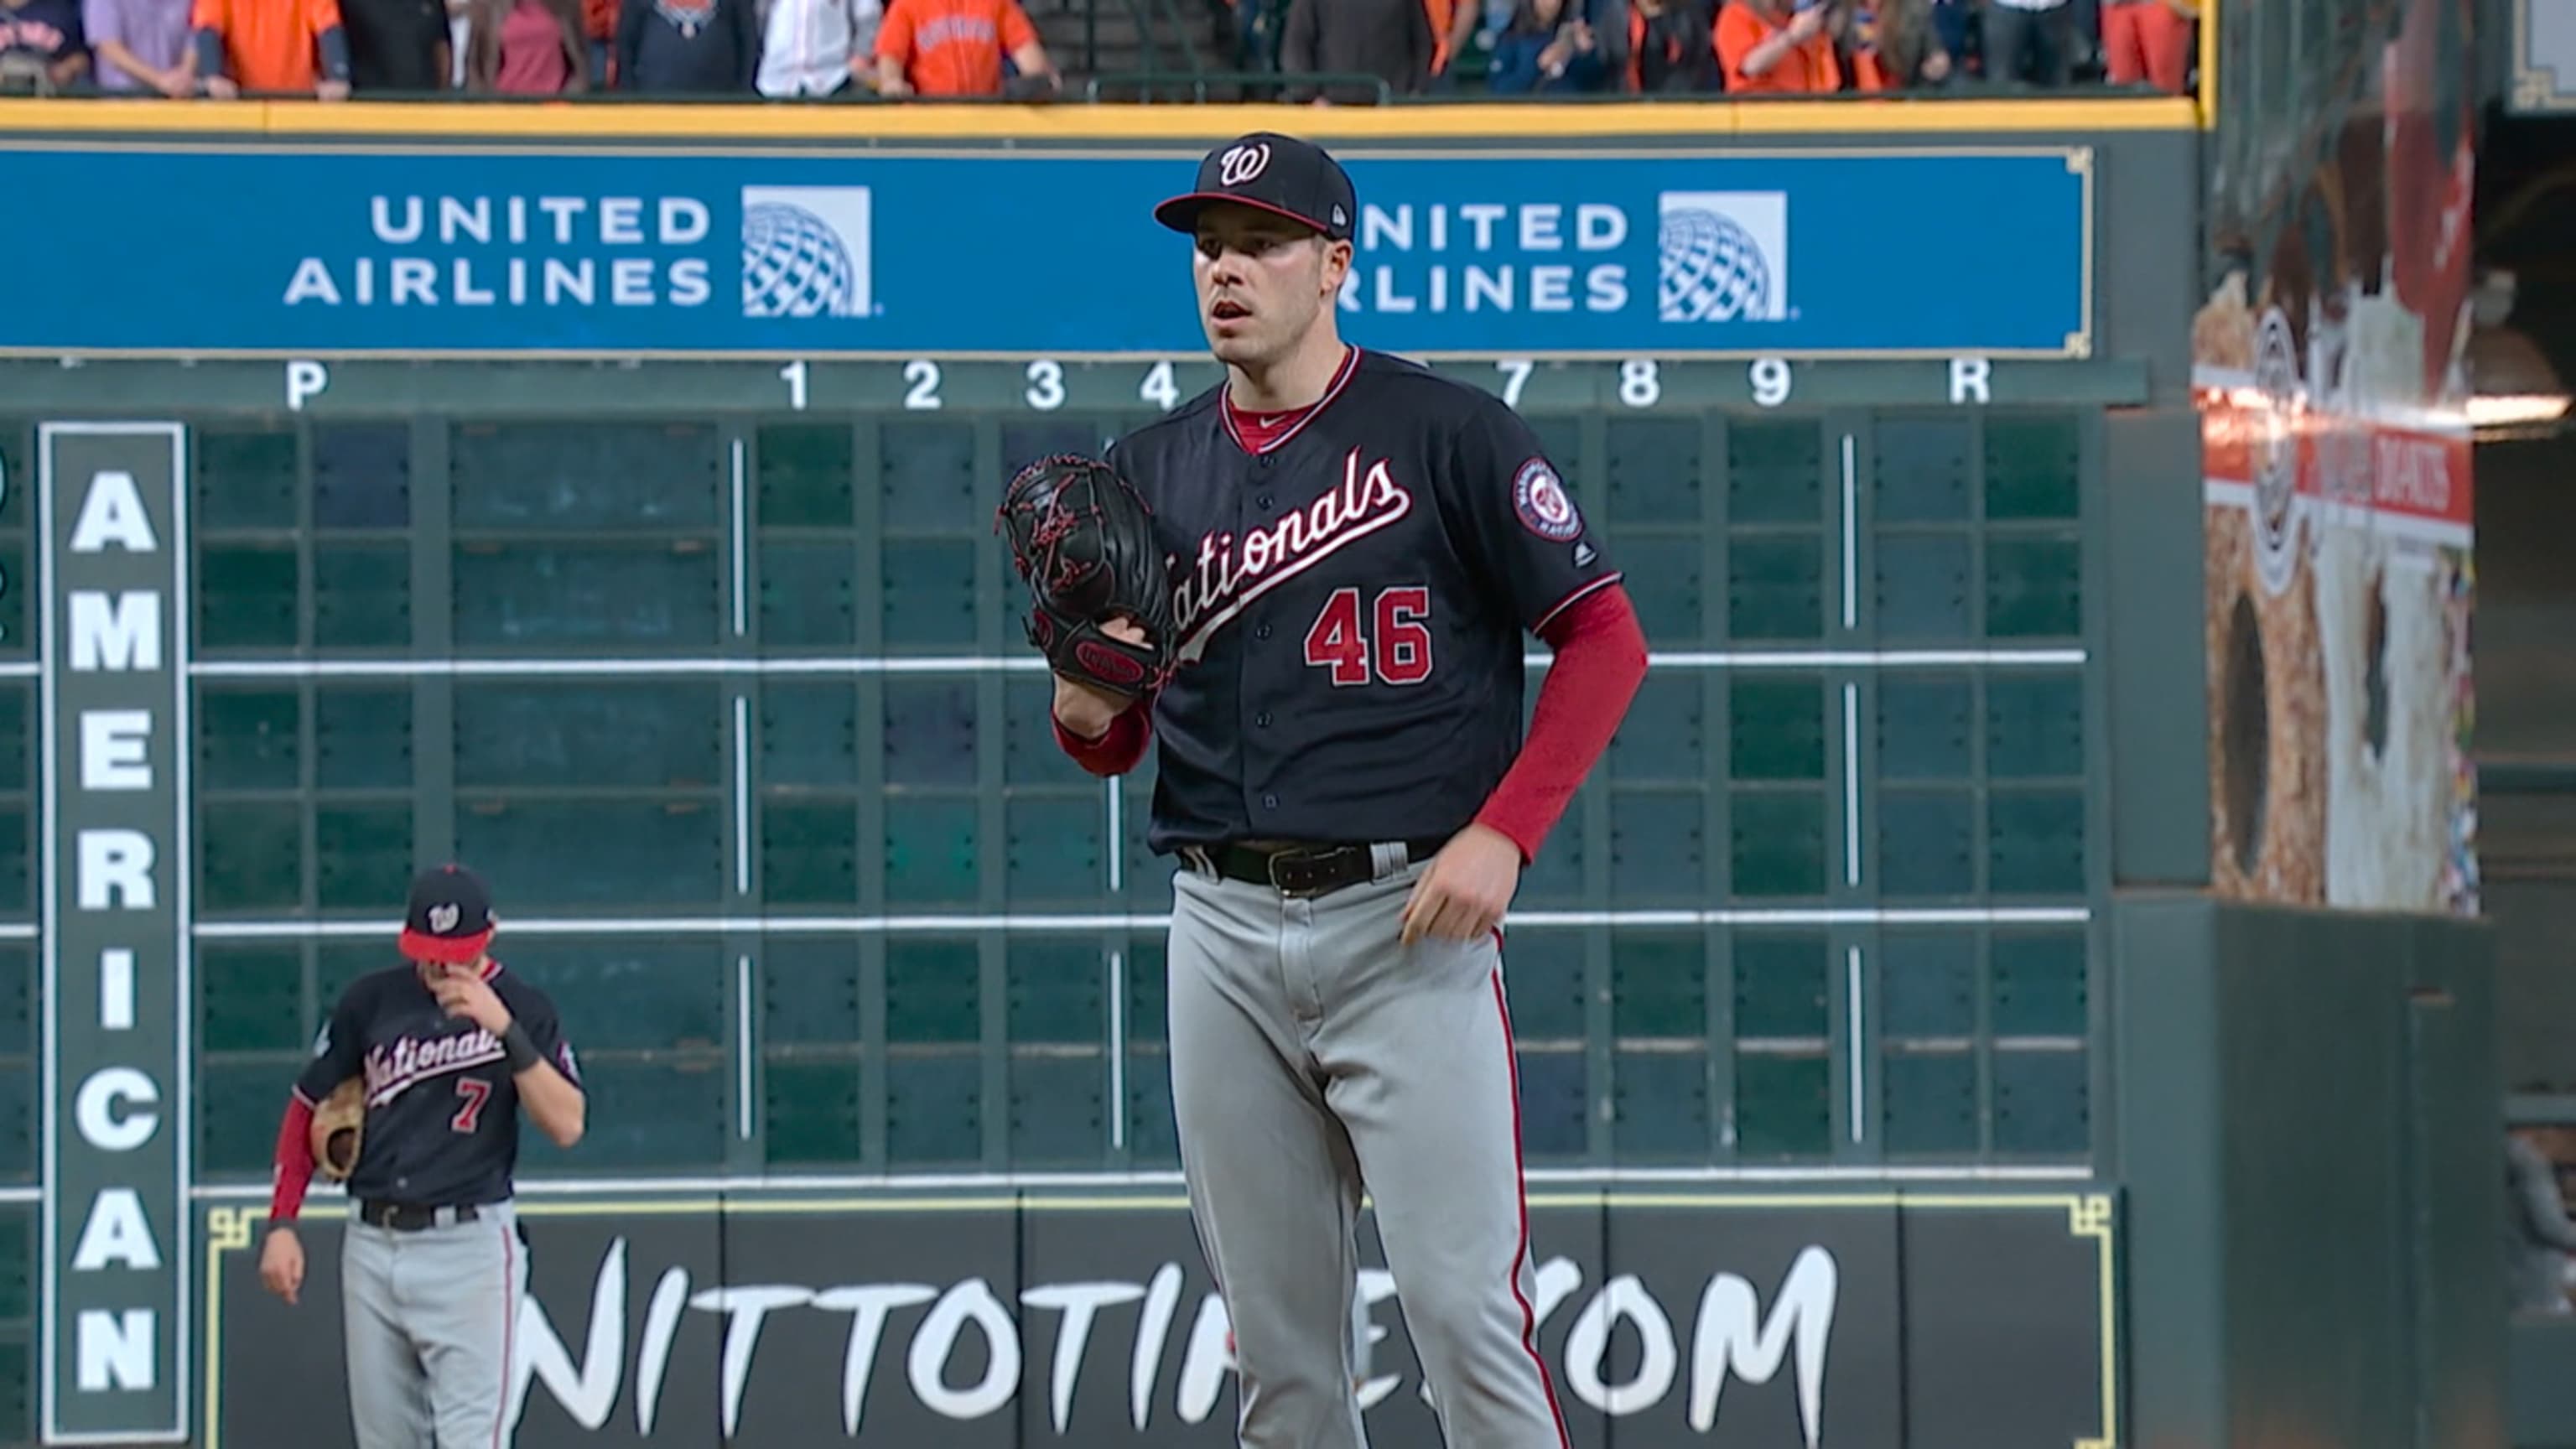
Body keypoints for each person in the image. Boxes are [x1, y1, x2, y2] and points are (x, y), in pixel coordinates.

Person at [1041, 132, 1649, 1447]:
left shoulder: (1447, 432)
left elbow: (1607, 639)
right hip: (1219, 926)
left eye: (1259, 243)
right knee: (1281, 1359)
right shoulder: (1147, 474)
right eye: (1209, 247)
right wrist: (1086, 714)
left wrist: (1507, 831)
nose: (1226, 271)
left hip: (1406, 923)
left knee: (1466, 1322)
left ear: (1335, 264)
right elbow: (1116, 738)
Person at [257, 863, 588, 1449]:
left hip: (470, 1250)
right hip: (372, 1242)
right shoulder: (373, 1001)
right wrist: (283, 1221)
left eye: (455, 951)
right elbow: (306, 1104)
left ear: (490, 935)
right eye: (430, 950)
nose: (442, 965)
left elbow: (567, 1124)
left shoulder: (525, 1008)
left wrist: (505, 1031)